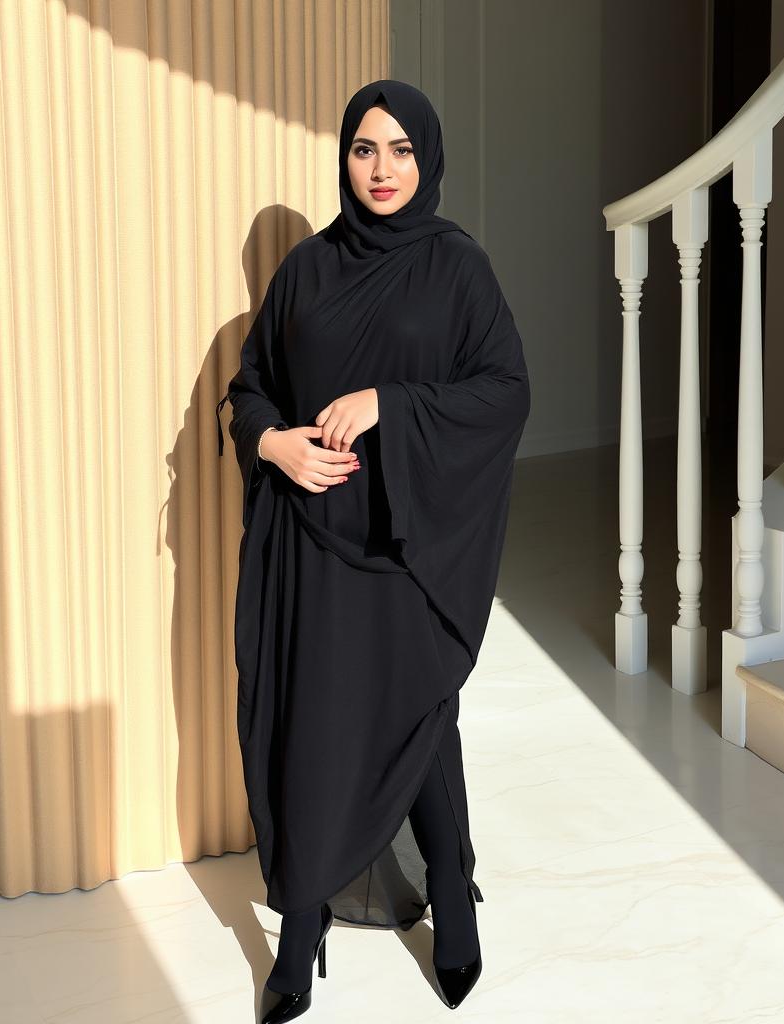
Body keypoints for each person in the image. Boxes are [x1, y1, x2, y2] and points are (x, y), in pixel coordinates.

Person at [217, 79, 530, 1022]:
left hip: (406, 541)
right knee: (311, 726)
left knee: (418, 718)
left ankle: (453, 901)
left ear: (426, 157)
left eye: (400, 149)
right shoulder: (307, 270)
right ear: (344, 158)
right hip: (310, 539)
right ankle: (301, 930)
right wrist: (273, 445)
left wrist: (392, 402)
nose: (382, 169)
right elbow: (254, 385)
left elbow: (504, 391)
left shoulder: (457, 268)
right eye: (364, 149)